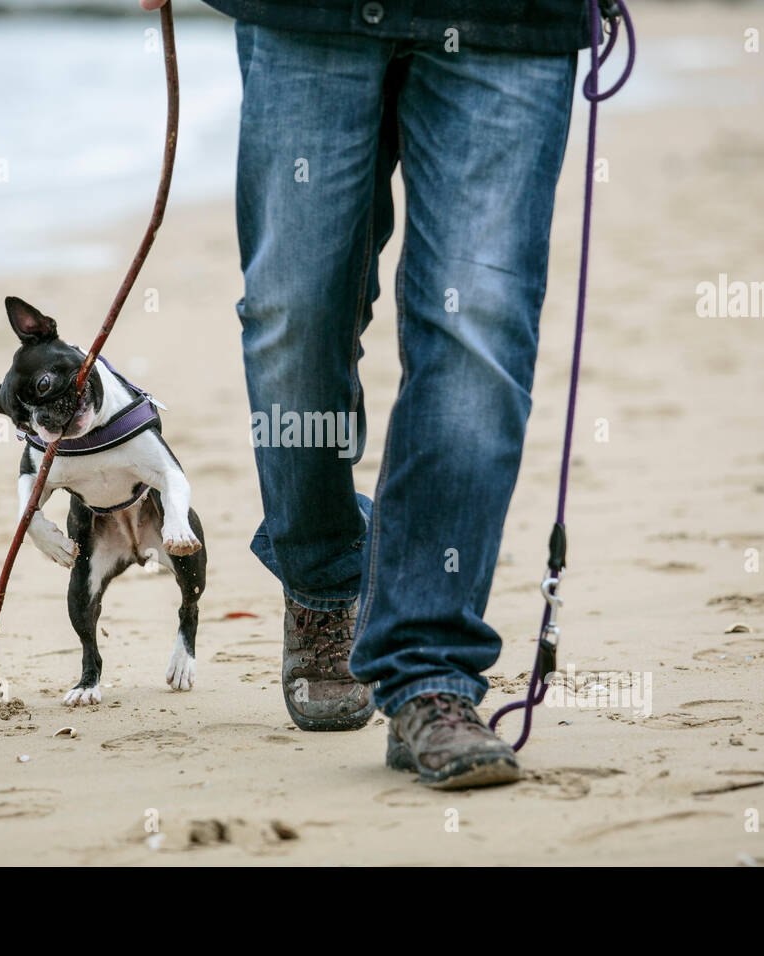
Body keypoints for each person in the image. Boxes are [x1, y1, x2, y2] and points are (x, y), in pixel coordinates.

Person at [142, 0, 596, 789]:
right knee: (297, 313)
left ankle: (429, 672)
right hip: (308, 14)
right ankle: (321, 568)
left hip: (513, 21)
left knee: (479, 326)